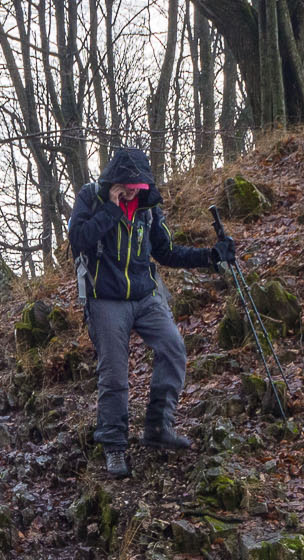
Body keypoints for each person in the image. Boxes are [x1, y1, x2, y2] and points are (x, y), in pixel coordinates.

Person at [68, 145, 236, 478]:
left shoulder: (148, 207)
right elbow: (78, 240)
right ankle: (114, 447)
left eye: (138, 186)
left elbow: (167, 252)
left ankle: (158, 428)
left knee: (173, 348)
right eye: (127, 184)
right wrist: (112, 212)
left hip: (145, 295)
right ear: (114, 179)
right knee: (114, 374)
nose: (132, 190)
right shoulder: (91, 197)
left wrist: (211, 257)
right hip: (105, 298)